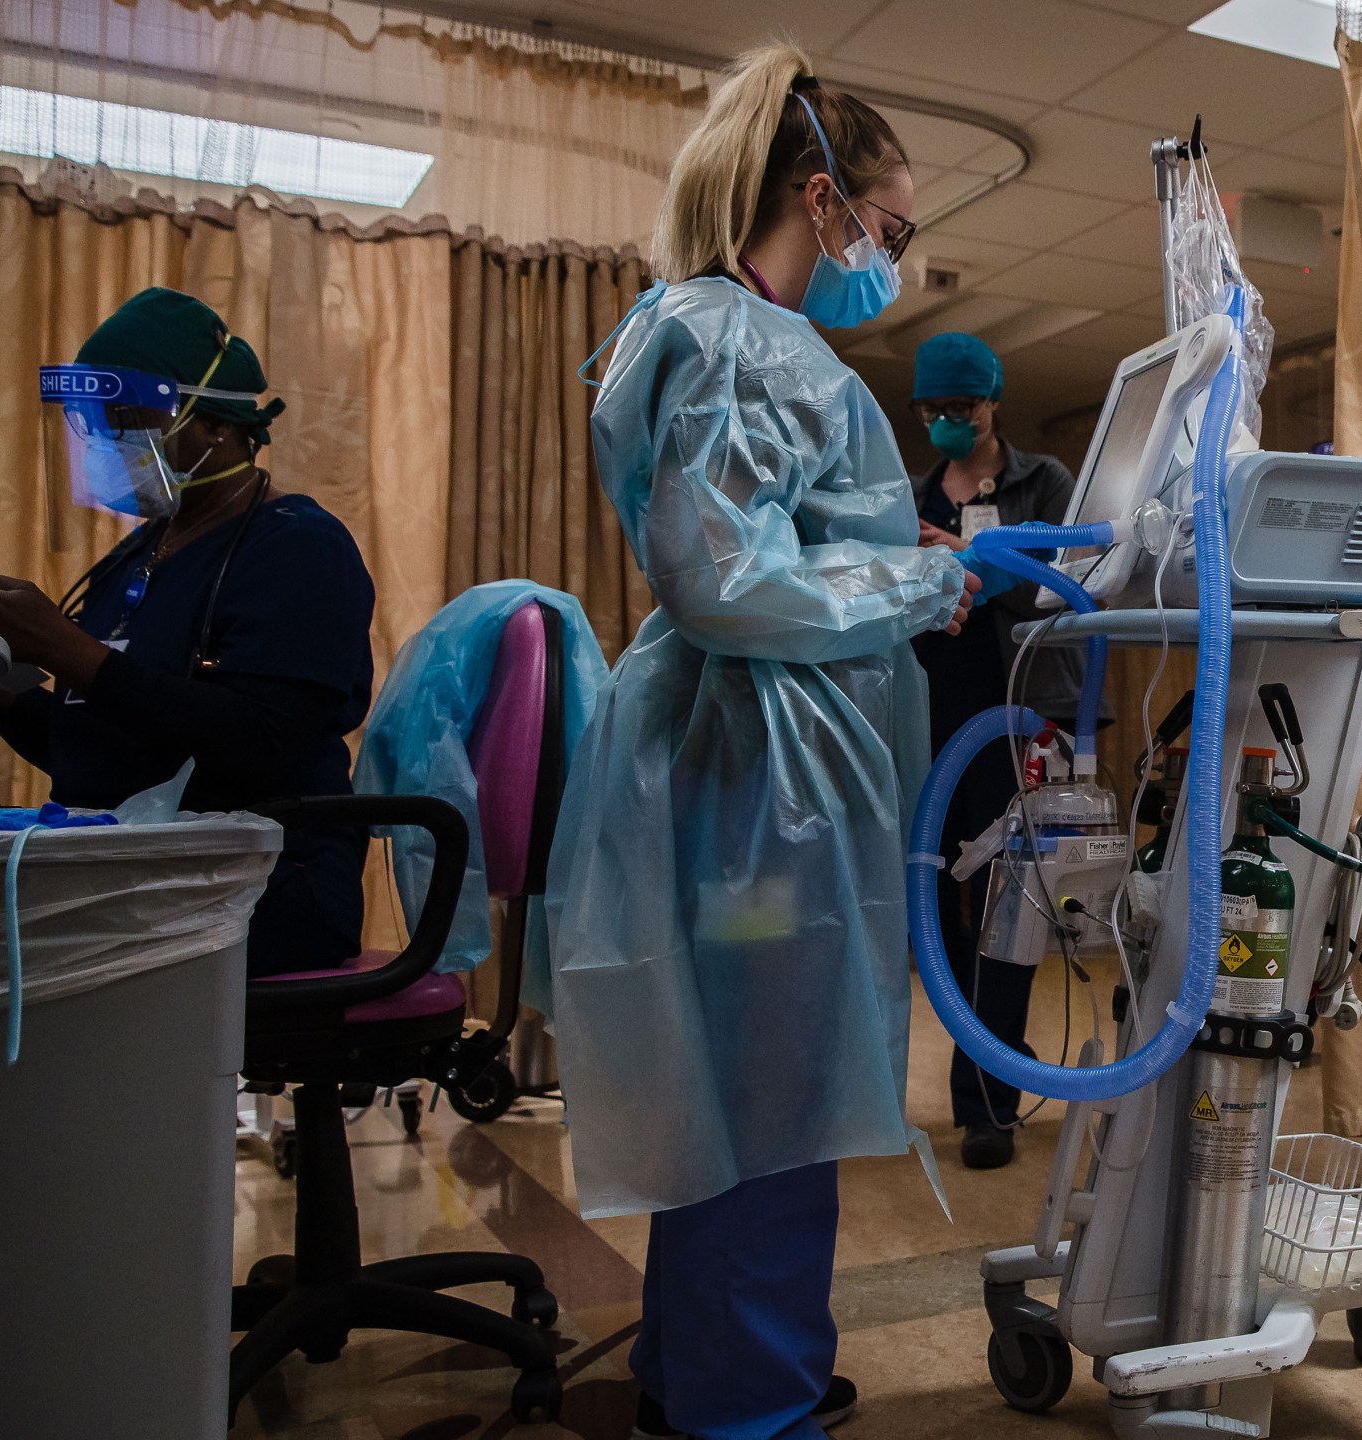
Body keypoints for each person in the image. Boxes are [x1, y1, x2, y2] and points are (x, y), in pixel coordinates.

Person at [543, 43, 978, 1440]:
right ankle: (751, 1400)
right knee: (774, 1099)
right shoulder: (749, 341)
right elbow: (724, 579)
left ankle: (707, 1367)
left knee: (725, 1089)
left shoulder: (705, 330)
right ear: (820, 194)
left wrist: (878, 538)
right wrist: (929, 578)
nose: (891, 264)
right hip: (763, 788)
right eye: (890, 233)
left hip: (736, 771)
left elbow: (752, 538)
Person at [0, 287, 373, 976]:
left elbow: (259, 742)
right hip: (142, 872)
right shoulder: (142, 551)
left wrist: (62, 647)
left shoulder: (298, 548)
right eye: (91, 423)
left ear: (216, 426)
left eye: (125, 421)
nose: (104, 440)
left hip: (256, 889)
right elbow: (105, 752)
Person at [904, 331, 1100, 1170]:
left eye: (965, 408)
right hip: (928, 720)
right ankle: (967, 1087)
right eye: (936, 411)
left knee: (1005, 910)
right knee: (935, 902)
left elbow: (1056, 580)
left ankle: (989, 1106)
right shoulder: (909, 497)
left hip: (1016, 718)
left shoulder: (1041, 482)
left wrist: (964, 560)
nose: (951, 421)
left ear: (993, 402)